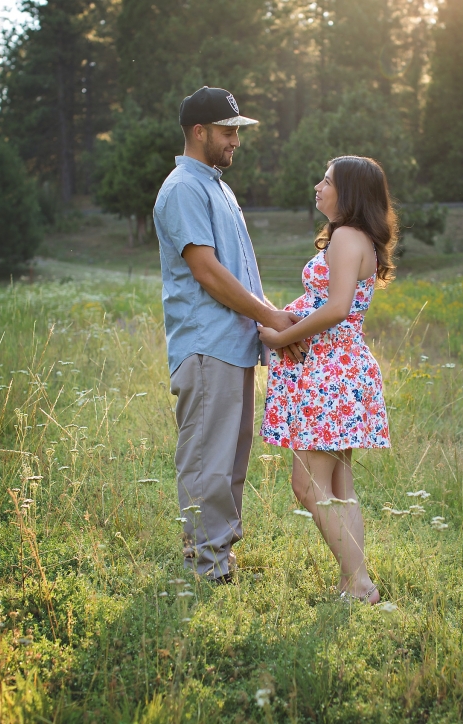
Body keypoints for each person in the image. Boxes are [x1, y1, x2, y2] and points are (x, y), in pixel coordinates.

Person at [153, 86, 308, 583]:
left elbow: (238, 272)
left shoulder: (217, 186)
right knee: (208, 460)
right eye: (227, 131)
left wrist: (270, 321)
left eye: (238, 131)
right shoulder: (184, 188)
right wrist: (271, 317)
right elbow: (207, 272)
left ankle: (218, 556)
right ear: (199, 132)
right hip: (206, 345)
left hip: (234, 345)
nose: (236, 141)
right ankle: (205, 566)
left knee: (230, 458)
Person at [258, 155, 397, 604]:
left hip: (332, 371)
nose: (318, 187)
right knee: (339, 487)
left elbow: (337, 309)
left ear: (349, 193)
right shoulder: (357, 238)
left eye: (327, 181)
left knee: (308, 486)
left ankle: (360, 583)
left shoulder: (346, 238)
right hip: (340, 367)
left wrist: (281, 337)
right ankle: (351, 581)